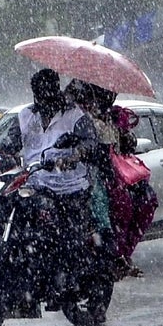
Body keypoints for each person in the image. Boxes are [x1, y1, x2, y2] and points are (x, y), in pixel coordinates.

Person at [7, 69, 100, 297]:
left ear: (54, 90)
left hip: (69, 187)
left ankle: (68, 279)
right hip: (36, 183)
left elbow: (91, 142)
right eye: (38, 94)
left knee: (66, 238)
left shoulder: (75, 116)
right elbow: (9, 144)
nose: (42, 99)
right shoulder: (26, 116)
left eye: (46, 92)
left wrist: (73, 157)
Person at [66, 79, 156, 280]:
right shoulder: (74, 116)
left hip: (111, 173)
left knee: (142, 200)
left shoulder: (113, 117)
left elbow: (122, 145)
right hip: (84, 173)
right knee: (111, 205)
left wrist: (123, 137)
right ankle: (113, 253)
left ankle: (120, 253)